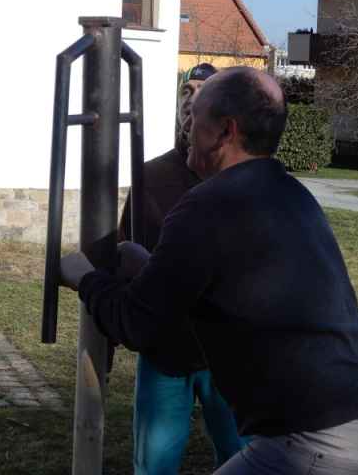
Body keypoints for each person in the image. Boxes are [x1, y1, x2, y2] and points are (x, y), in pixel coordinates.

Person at [62, 67, 358, 474]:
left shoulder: (208, 205)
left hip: (322, 438)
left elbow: (137, 325)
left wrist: (83, 277)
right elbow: (235, 284)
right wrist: (150, 266)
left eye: (197, 118)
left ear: (225, 131)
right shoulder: (291, 195)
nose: (188, 127)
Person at [119, 63, 245, 475]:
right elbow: (125, 253)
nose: (191, 100)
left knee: (243, 458)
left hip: (228, 354)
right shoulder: (150, 176)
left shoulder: (242, 177)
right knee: (153, 465)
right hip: (165, 351)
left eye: (203, 91)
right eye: (185, 91)